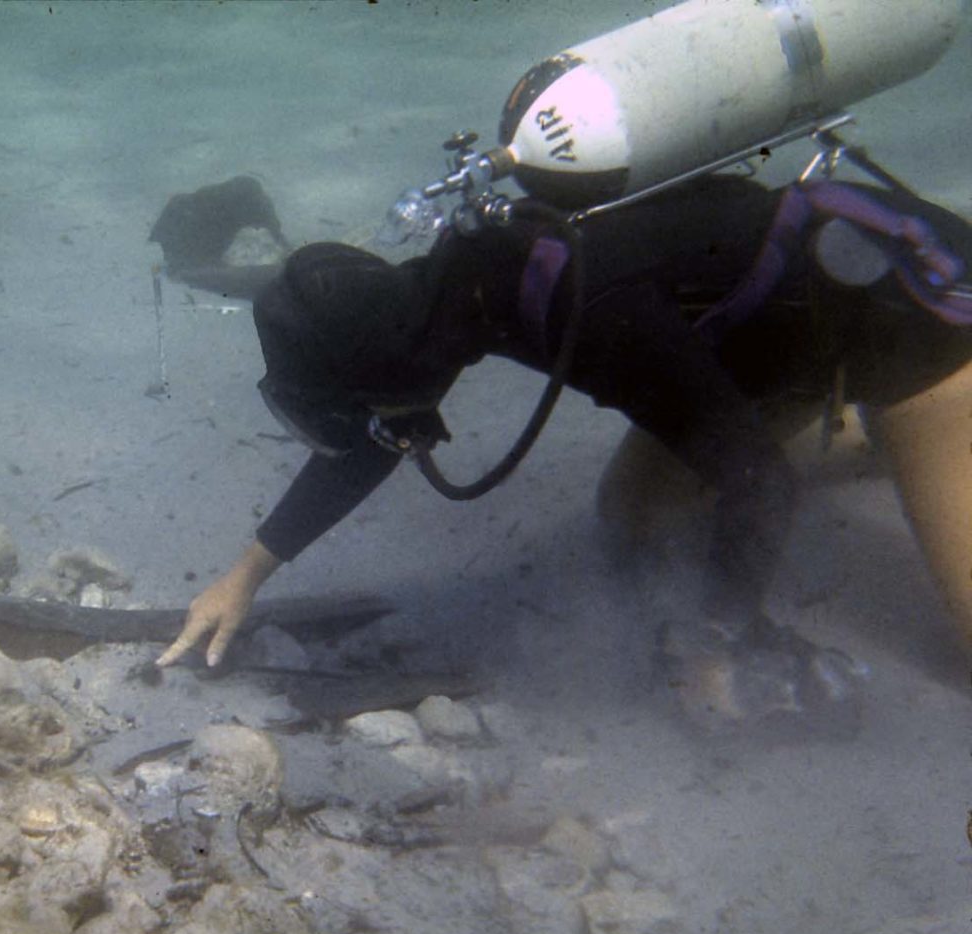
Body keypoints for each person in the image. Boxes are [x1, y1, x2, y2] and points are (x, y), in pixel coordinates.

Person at [154, 171, 972, 727]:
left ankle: (923, 430)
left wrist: (713, 642)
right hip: (788, 335)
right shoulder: (444, 293)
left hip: (913, 315)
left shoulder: (588, 311)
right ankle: (878, 442)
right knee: (634, 511)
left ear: (384, 370)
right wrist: (246, 575)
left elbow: (762, 488)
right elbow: (382, 430)